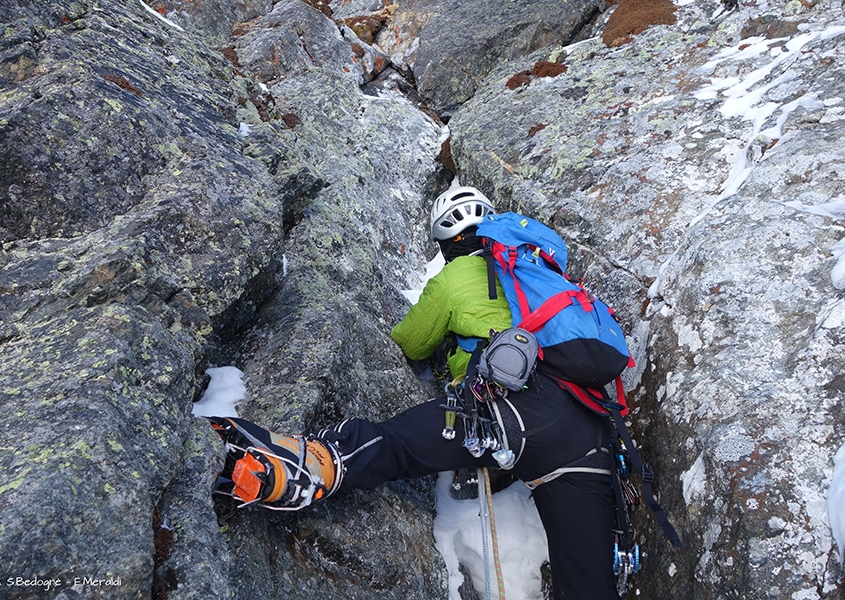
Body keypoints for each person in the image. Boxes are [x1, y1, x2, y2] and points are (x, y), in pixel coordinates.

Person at [209, 186, 620, 599]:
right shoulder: (545, 279)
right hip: (588, 430)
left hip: (509, 408)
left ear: (447, 245)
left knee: (396, 445)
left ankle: (303, 466)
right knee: (587, 584)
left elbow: (411, 341)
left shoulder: (456, 276)